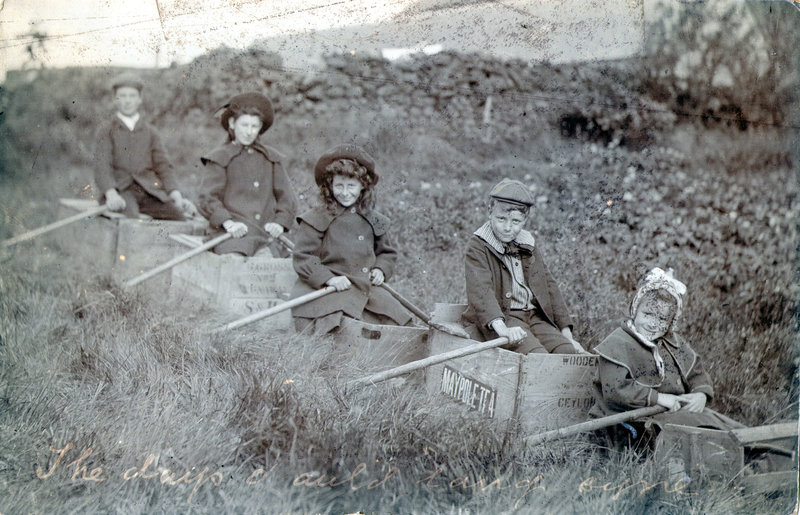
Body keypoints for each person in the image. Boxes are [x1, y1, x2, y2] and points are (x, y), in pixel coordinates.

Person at [590, 267, 727, 447]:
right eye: (647, 314)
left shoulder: (672, 343)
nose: (653, 324)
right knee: (709, 431)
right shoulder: (618, 343)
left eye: (662, 319)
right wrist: (659, 398)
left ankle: (759, 450)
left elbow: (696, 372)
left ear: (671, 323)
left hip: (669, 415)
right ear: (634, 310)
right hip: (627, 425)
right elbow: (616, 391)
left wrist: (700, 394)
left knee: (722, 424)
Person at [290, 144, 411, 334]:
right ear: (329, 186)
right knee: (337, 327)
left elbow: (387, 252)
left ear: (363, 185)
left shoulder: (374, 219)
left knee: (399, 322)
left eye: (351, 186)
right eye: (339, 185)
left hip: (364, 286)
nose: (345, 192)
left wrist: (381, 269)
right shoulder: (316, 218)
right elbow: (303, 257)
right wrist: (328, 279)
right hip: (327, 289)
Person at [464, 178, 585, 355]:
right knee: (537, 357)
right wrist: (503, 329)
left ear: (525, 219)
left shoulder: (527, 244)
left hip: (534, 317)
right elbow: (481, 291)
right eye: (501, 219)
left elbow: (549, 287)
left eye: (515, 222)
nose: (507, 227)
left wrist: (567, 335)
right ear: (489, 211)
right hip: (504, 318)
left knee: (566, 351)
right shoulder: (478, 246)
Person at [198, 92, 298, 256]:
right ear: (232, 123)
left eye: (254, 126)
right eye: (244, 125)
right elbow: (207, 198)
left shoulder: (271, 159)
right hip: (230, 236)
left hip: (265, 237)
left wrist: (279, 223)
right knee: (235, 264)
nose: (249, 132)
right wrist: (228, 223)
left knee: (271, 265)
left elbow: (287, 198)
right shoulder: (220, 158)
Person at [94, 73, 196, 220]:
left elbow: (163, 165)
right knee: (131, 221)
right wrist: (111, 194)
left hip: (148, 192)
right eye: (122, 96)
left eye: (132, 96)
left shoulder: (150, 132)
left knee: (177, 216)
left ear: (139, 99)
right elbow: (102, 166)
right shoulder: (107, 130)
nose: (127, 101)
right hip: (120, 192)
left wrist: (174, 193)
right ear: (115, 99)